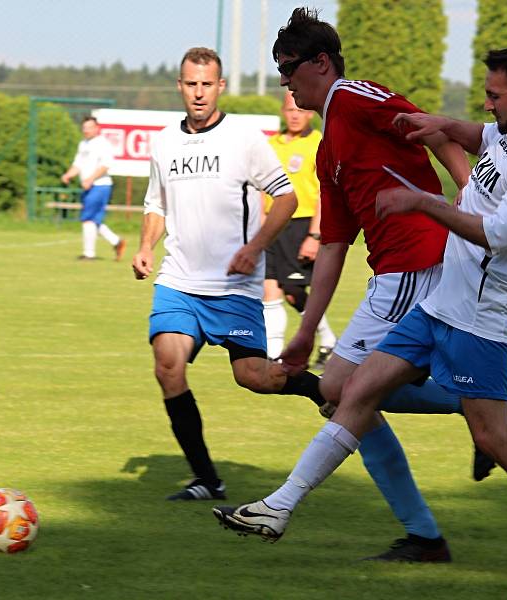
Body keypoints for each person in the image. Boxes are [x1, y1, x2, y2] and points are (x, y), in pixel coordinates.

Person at [214, 42, 507, 588]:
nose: (486, 103)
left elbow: (499, 235)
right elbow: (478, 145)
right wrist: (442, 127)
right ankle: (279, 507)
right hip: (438, 303)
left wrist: (419, 202)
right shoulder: (506, 134)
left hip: (479, 315)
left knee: (495, 438)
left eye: (494, 95)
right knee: (353, 392)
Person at [217, 8, 481, 562]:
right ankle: (428, 523)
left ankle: (472, 413)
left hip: (419, 262)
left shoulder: (356, 97)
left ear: (321, 62)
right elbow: (334, 247)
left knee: (340, 391)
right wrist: (304, 332)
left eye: (289, 67)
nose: (285, 81)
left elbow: (432, 129)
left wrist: (469, 192)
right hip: (392, 271)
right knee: (340, 393)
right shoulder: (329, 147)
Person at [132, 47, 330, 501]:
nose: (198, 93)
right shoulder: (164, 142)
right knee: (167, 366)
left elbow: (284, 197)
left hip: (234, 288)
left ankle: (322, 391)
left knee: (254, 376)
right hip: (179, 282)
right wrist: (145, 246)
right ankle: (206, 479)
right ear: (179, 87)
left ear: (219, 87)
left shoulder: (243, 138)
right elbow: (156, 203)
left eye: (207, 84)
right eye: (190, 84)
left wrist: (254, 249)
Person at [262, 90, 336, 366]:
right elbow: (261, 190)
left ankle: (328, 341)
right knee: (270, 289)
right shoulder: (271, 144)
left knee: (294, 291)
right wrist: (259, 231)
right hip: (272, 225)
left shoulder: (318, 143)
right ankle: (273, 356)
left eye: (300, 110)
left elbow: (323, 194)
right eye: (290, 110)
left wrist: (314, 235)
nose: (295, 115)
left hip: (301, 224)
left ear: (309, 112)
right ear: (283, 111)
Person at [61, 116, 126, 261]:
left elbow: (105, 165)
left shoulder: (103, 144)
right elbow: (77, 165)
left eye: (90, 127)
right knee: (94, 220)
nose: (86, 130)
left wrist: (90, 179)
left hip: (100, 185)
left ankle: (89, 254)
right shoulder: (83, 144)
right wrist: (68, 175)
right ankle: (116, 241)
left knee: (88, 219)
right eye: (84, 127)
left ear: (97, 128)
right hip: (89, 186)